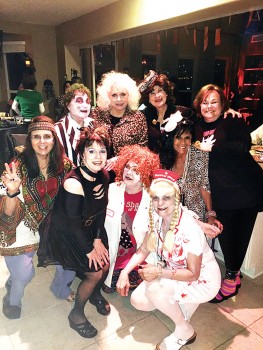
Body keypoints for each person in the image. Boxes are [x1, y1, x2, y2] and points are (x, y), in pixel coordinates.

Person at [116, 169, 221, 350]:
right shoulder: (157, 218)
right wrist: (124, 272)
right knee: (139, 301)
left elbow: (193, 274)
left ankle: (184, 330)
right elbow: (143, 249)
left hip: (202, 280)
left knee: (156, 289)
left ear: (176, 199)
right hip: (176, 273)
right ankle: (181, 303)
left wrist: (159, 272)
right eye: (155, 198)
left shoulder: (189, 228)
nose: (160, 203)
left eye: (166, 197)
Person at [193, 84, 263, 303]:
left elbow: (243, 146)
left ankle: (232, 278)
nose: (209, 106)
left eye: (214, 101)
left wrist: (212, 148)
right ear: (199, 105)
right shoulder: (196, 126)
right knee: (225, 234)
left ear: (223, 104)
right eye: (205, 102)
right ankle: (234, 273)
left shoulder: (232, 121)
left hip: (245, 189)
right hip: (221, 193)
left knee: (239, 236)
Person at [0, 116, 73, 319]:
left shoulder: (65, 166)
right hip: (22, 222)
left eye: (47, 136)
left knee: (69, 259)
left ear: (54, 140)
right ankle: (12, 298)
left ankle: (61, 289)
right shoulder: (16, 167)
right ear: (29, 140)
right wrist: (12, 192)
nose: (42, 142)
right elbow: (6, 213)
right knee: (24, 275)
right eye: (36, 137)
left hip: (52, 223)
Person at [45, 127, 111, 338]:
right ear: (82, 154)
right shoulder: (73, 181)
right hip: (67, 233)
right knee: (94, 272)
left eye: (102, 151)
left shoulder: (104, 174)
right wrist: (90, 248)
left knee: (106, 262)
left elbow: (101, 208)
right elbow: (72, 224)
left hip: (90, 227)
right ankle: (76, 314)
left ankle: (95, 294)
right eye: (91, 151)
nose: (98, 157)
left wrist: (99, 239)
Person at [138, 71, 241, 156]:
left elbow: (206, 123)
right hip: (152, 167)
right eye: (152, 93)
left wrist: (222, 112)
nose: (157, 96)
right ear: (148, 97)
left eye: (160, 90)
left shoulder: (184, 113)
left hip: (178, 166)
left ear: (166, 92)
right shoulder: (144, 115)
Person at [103, 145, 160, 293]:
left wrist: (200, 223)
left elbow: (176, 210)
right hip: (114, 253)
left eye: (136, 170)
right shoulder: (112, 190)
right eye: (127, 167)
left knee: (140, 290)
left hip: (140, 255)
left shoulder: (152, 196)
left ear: (145, 174)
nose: (129, 172)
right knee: (109, 287)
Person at [160, 114, 223, 228]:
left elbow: (204, 185)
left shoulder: (200, 155)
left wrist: (210, 214)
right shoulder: (163, 158)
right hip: (169, 214)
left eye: (187, 138)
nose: (183, 143)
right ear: (171, 138)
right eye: (178, 137)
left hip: (195, 215)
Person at [91, 70, 148, 172]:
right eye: (114, 95)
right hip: (98, 171)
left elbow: (142, 149)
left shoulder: (138, 117)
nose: (119, 99)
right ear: (107, 96)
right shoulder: (97, 114)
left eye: (123, 94)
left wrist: (121, 158)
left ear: (129, 95)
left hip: (126, 173)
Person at [55, 83, 93, 165]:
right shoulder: (57, 130)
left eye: (87, 101)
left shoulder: (94, 124)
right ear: (68, 105)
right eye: (79, 101)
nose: (85, 105)